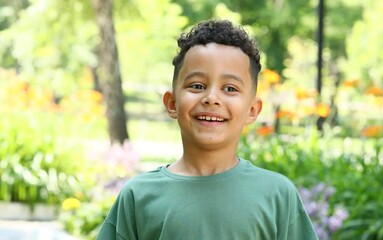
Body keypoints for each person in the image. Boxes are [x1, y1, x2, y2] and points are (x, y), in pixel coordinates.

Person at [96, 19, 318, 240]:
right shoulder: (138, 196)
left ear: (252, 110)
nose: (211, 98)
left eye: (230, 88)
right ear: (172, 103)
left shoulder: (277, 195)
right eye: (197, 86)